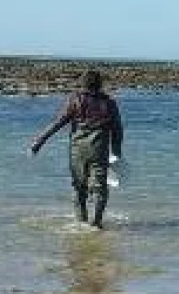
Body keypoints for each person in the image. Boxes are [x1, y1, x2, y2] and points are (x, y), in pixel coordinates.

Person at [28, 69, 124, 228]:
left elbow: (58, 122)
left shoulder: (75, 99)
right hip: (99, 150)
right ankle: (97, 223)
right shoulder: (109, 103)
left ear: (83, 83)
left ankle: (81, 223)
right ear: (100, 84)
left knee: (79, 187)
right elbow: (117, 130)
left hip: (78, 151)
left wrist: (39, 142)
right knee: (100, 188)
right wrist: (116, 152)